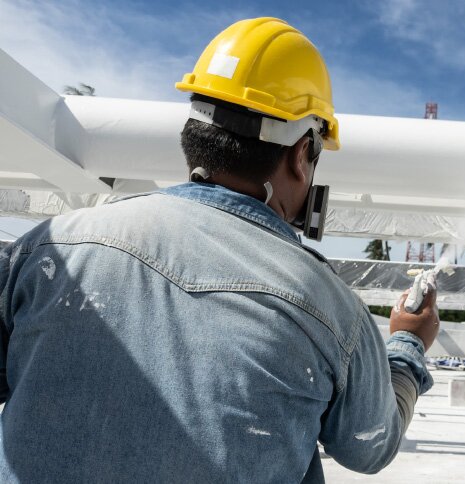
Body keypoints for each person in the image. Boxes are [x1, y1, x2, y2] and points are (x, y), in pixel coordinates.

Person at [0, 17, 438, 483]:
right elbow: (369, 447)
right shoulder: (330, 308)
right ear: (300, 153)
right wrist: (408, 343)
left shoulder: (46, 252)